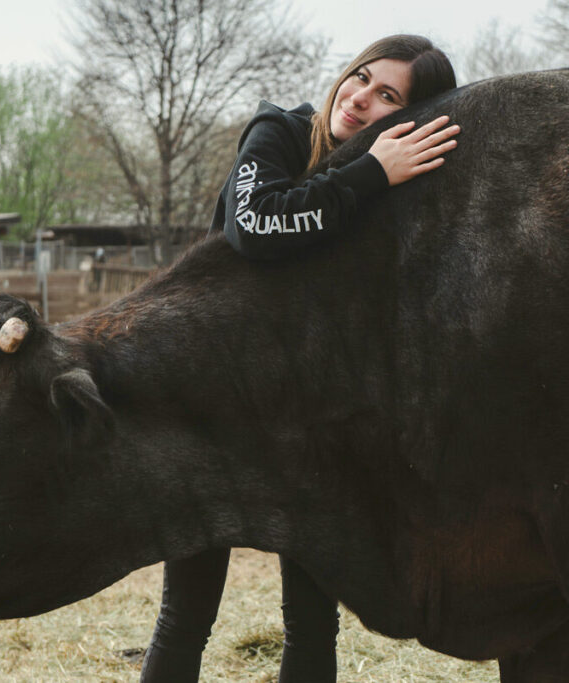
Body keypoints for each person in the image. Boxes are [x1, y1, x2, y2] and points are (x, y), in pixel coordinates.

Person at [140, 34, 459, 682]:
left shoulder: (394, 194)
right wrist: (370, 172)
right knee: (186, 616)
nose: (361, 97)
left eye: (388, 95)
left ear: (409, 117)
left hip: (308, 419)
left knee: (313, 620)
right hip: (216, 407)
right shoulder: (280, 132)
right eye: (363, 78)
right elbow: (252, 224)